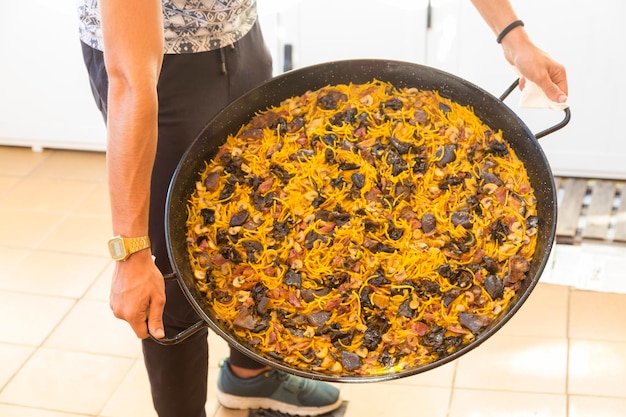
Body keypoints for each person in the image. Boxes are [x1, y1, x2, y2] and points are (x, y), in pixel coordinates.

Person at [77, 1, 568, 417]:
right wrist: (130, 252)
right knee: (171, 281)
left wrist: (512, 36)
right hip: (159, 71)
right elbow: (129, 80)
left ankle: (249, 375)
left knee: (258, 231)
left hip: (237, 35)